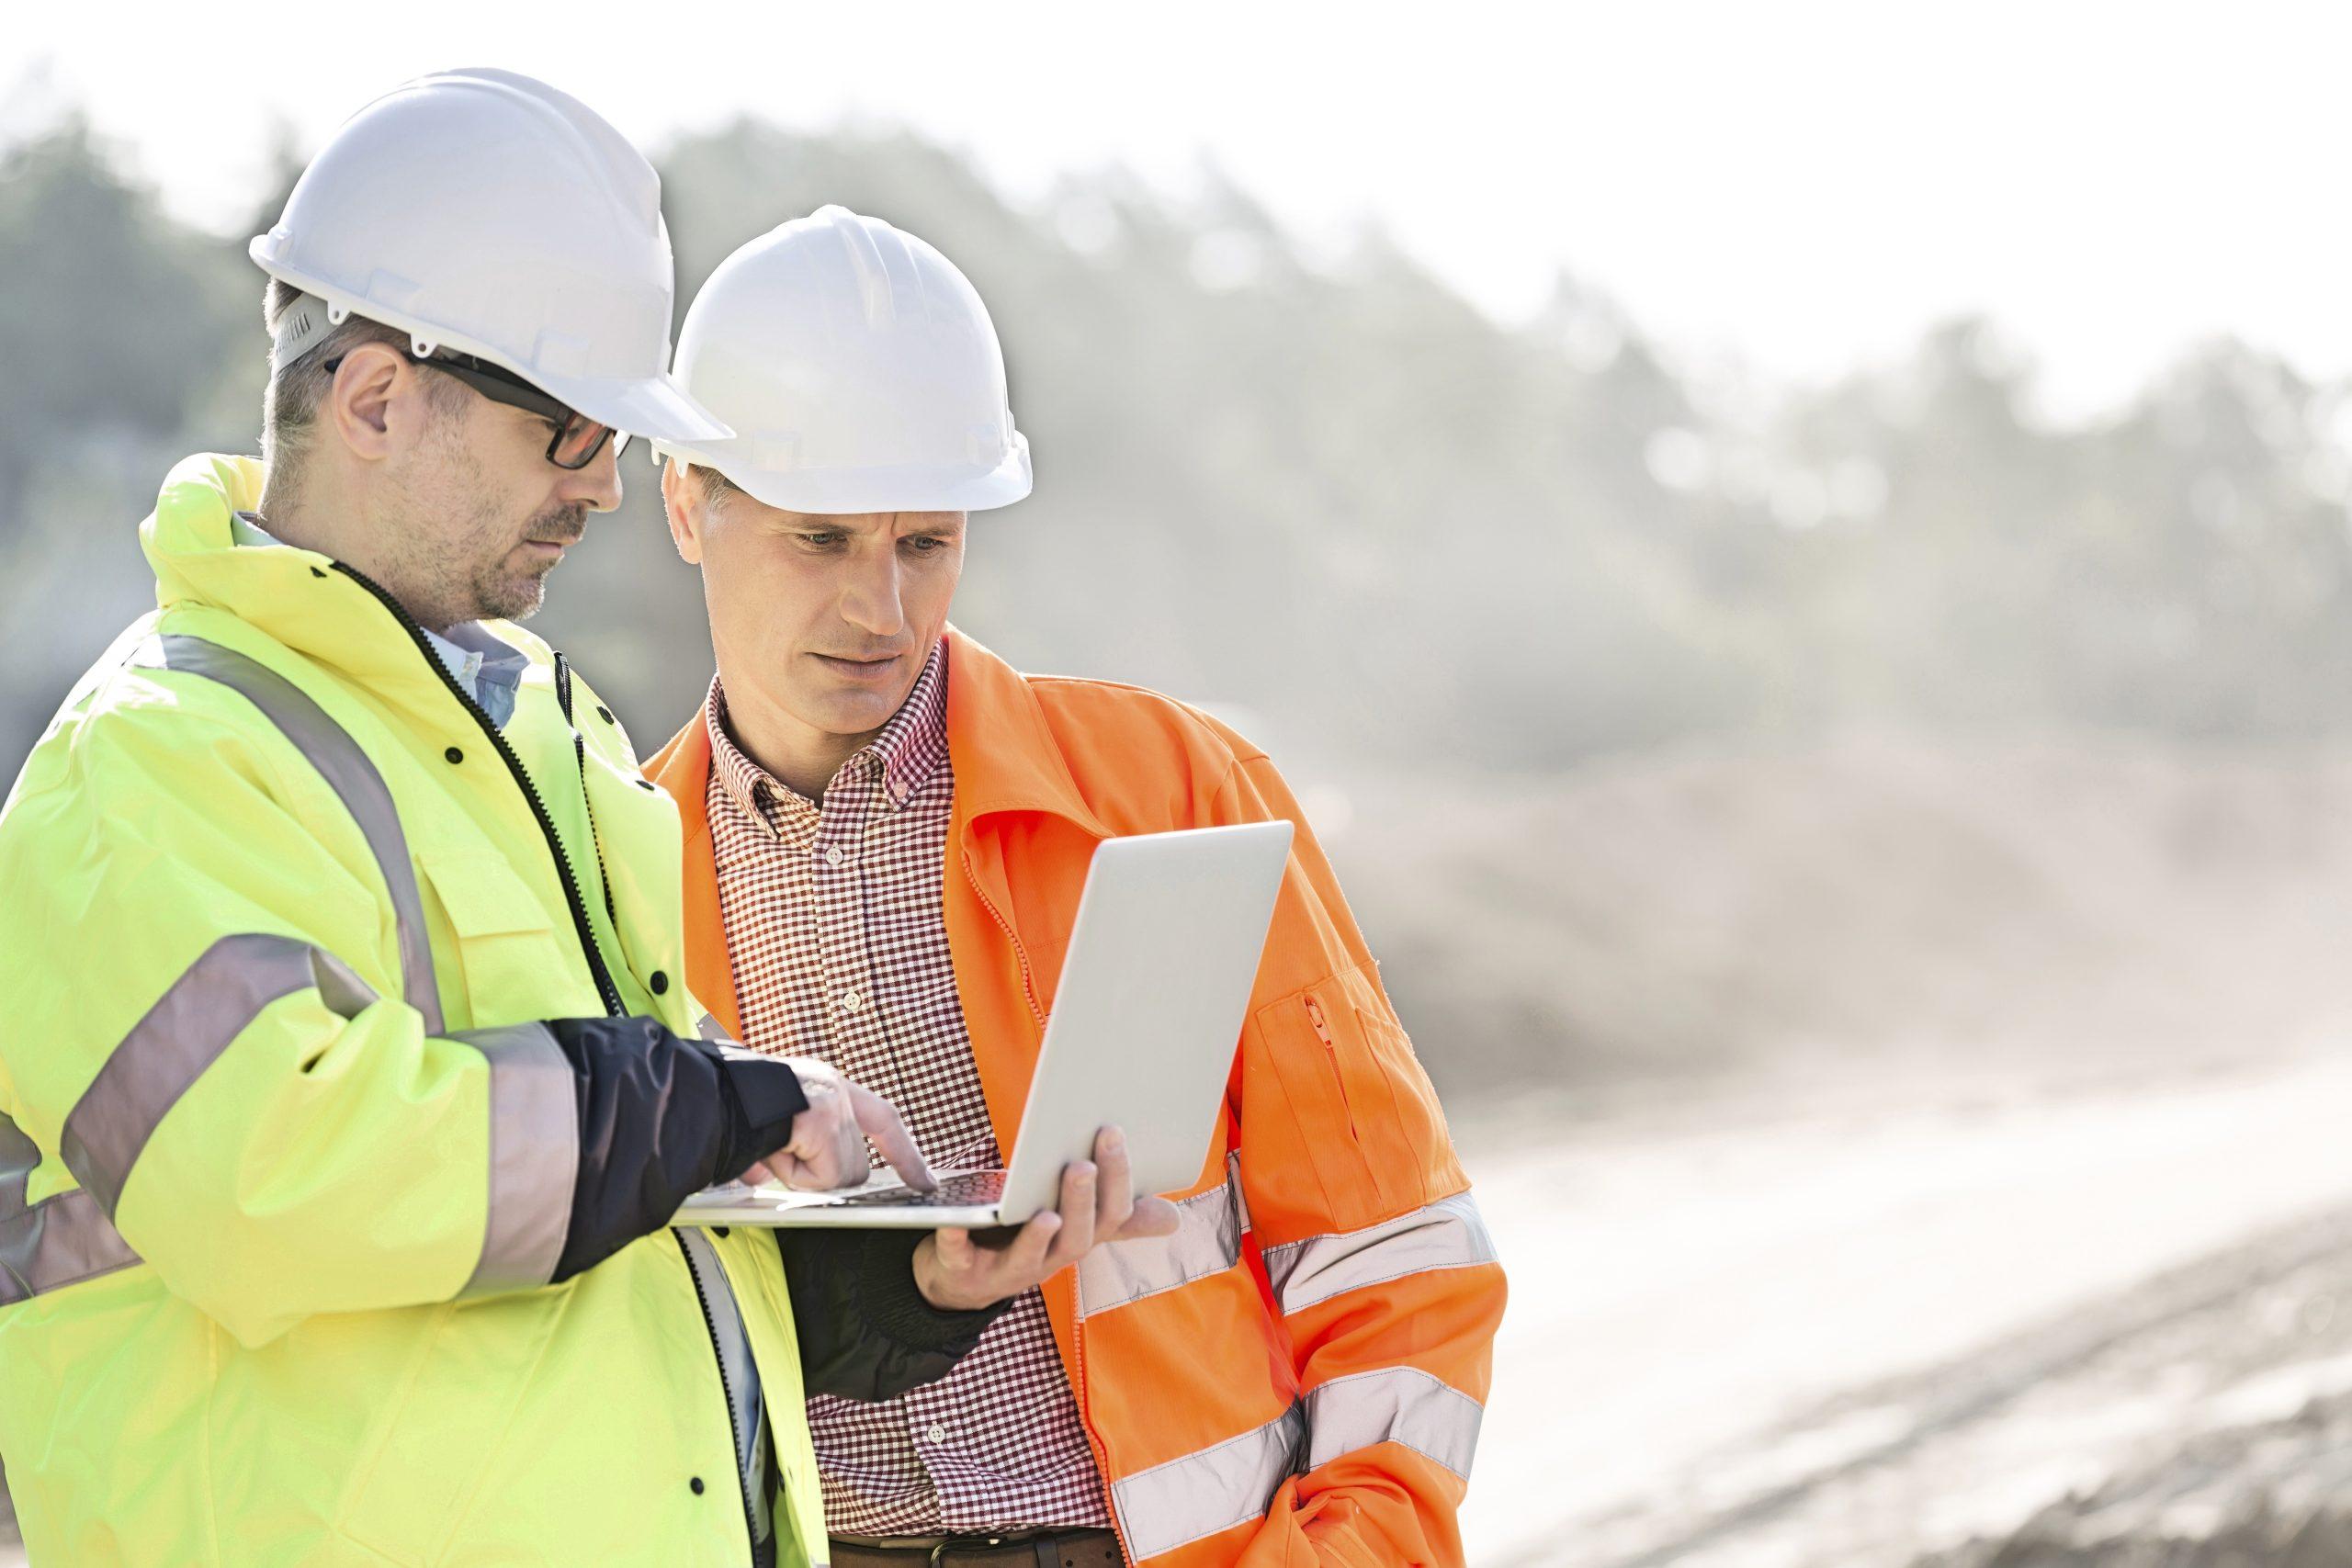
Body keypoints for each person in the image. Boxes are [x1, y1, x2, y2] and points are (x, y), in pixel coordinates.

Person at [0, 74, 1140, 1568]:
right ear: (375, 399)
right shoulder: (151, 765)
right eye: (571, 434)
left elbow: (579, 1234)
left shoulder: (544, 729)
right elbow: (270, 1178)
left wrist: (885, 1295)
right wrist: (699, 1101)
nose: (609, 486)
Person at [645, 206, 1508, 1568]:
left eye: (925, 542)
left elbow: (1392, 1249)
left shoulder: (1172, 789)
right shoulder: (616, 871)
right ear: (687, 500)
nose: (881, 608)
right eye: (821, 540)